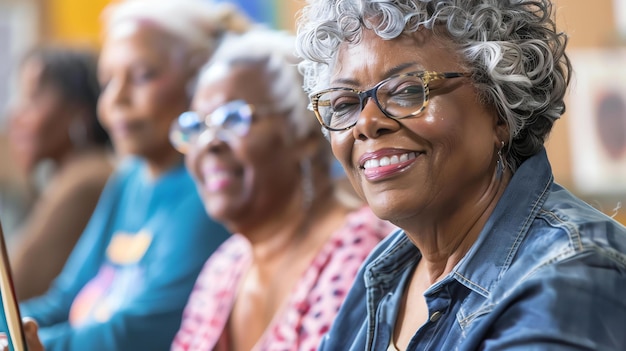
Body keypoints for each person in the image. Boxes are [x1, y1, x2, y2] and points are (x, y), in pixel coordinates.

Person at [295, 0, 626, 350]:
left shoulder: (573, 273)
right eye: (345, 103)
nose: (366, 123)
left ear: (500, 105)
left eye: (408, 90)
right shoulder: (384, 273)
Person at [0, 0, 249, 350]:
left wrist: (34, 345)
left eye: (143, 76)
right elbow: (65, 299)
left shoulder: (210, 191)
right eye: (108, 81)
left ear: (201, 80)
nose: (115, 99)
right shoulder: (129, 178)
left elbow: (145, 330)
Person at [168, 29, 395, 351]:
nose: (209, 143)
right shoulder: (226, 265)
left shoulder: (361, 252)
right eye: (196, 126)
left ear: (302, 133)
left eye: (233, 119)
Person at [7, 45, 114, 300]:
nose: (16, 116)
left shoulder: (86, 180)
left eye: (32, 99)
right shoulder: (71, 176)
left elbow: (15, 291)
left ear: (77, 112)